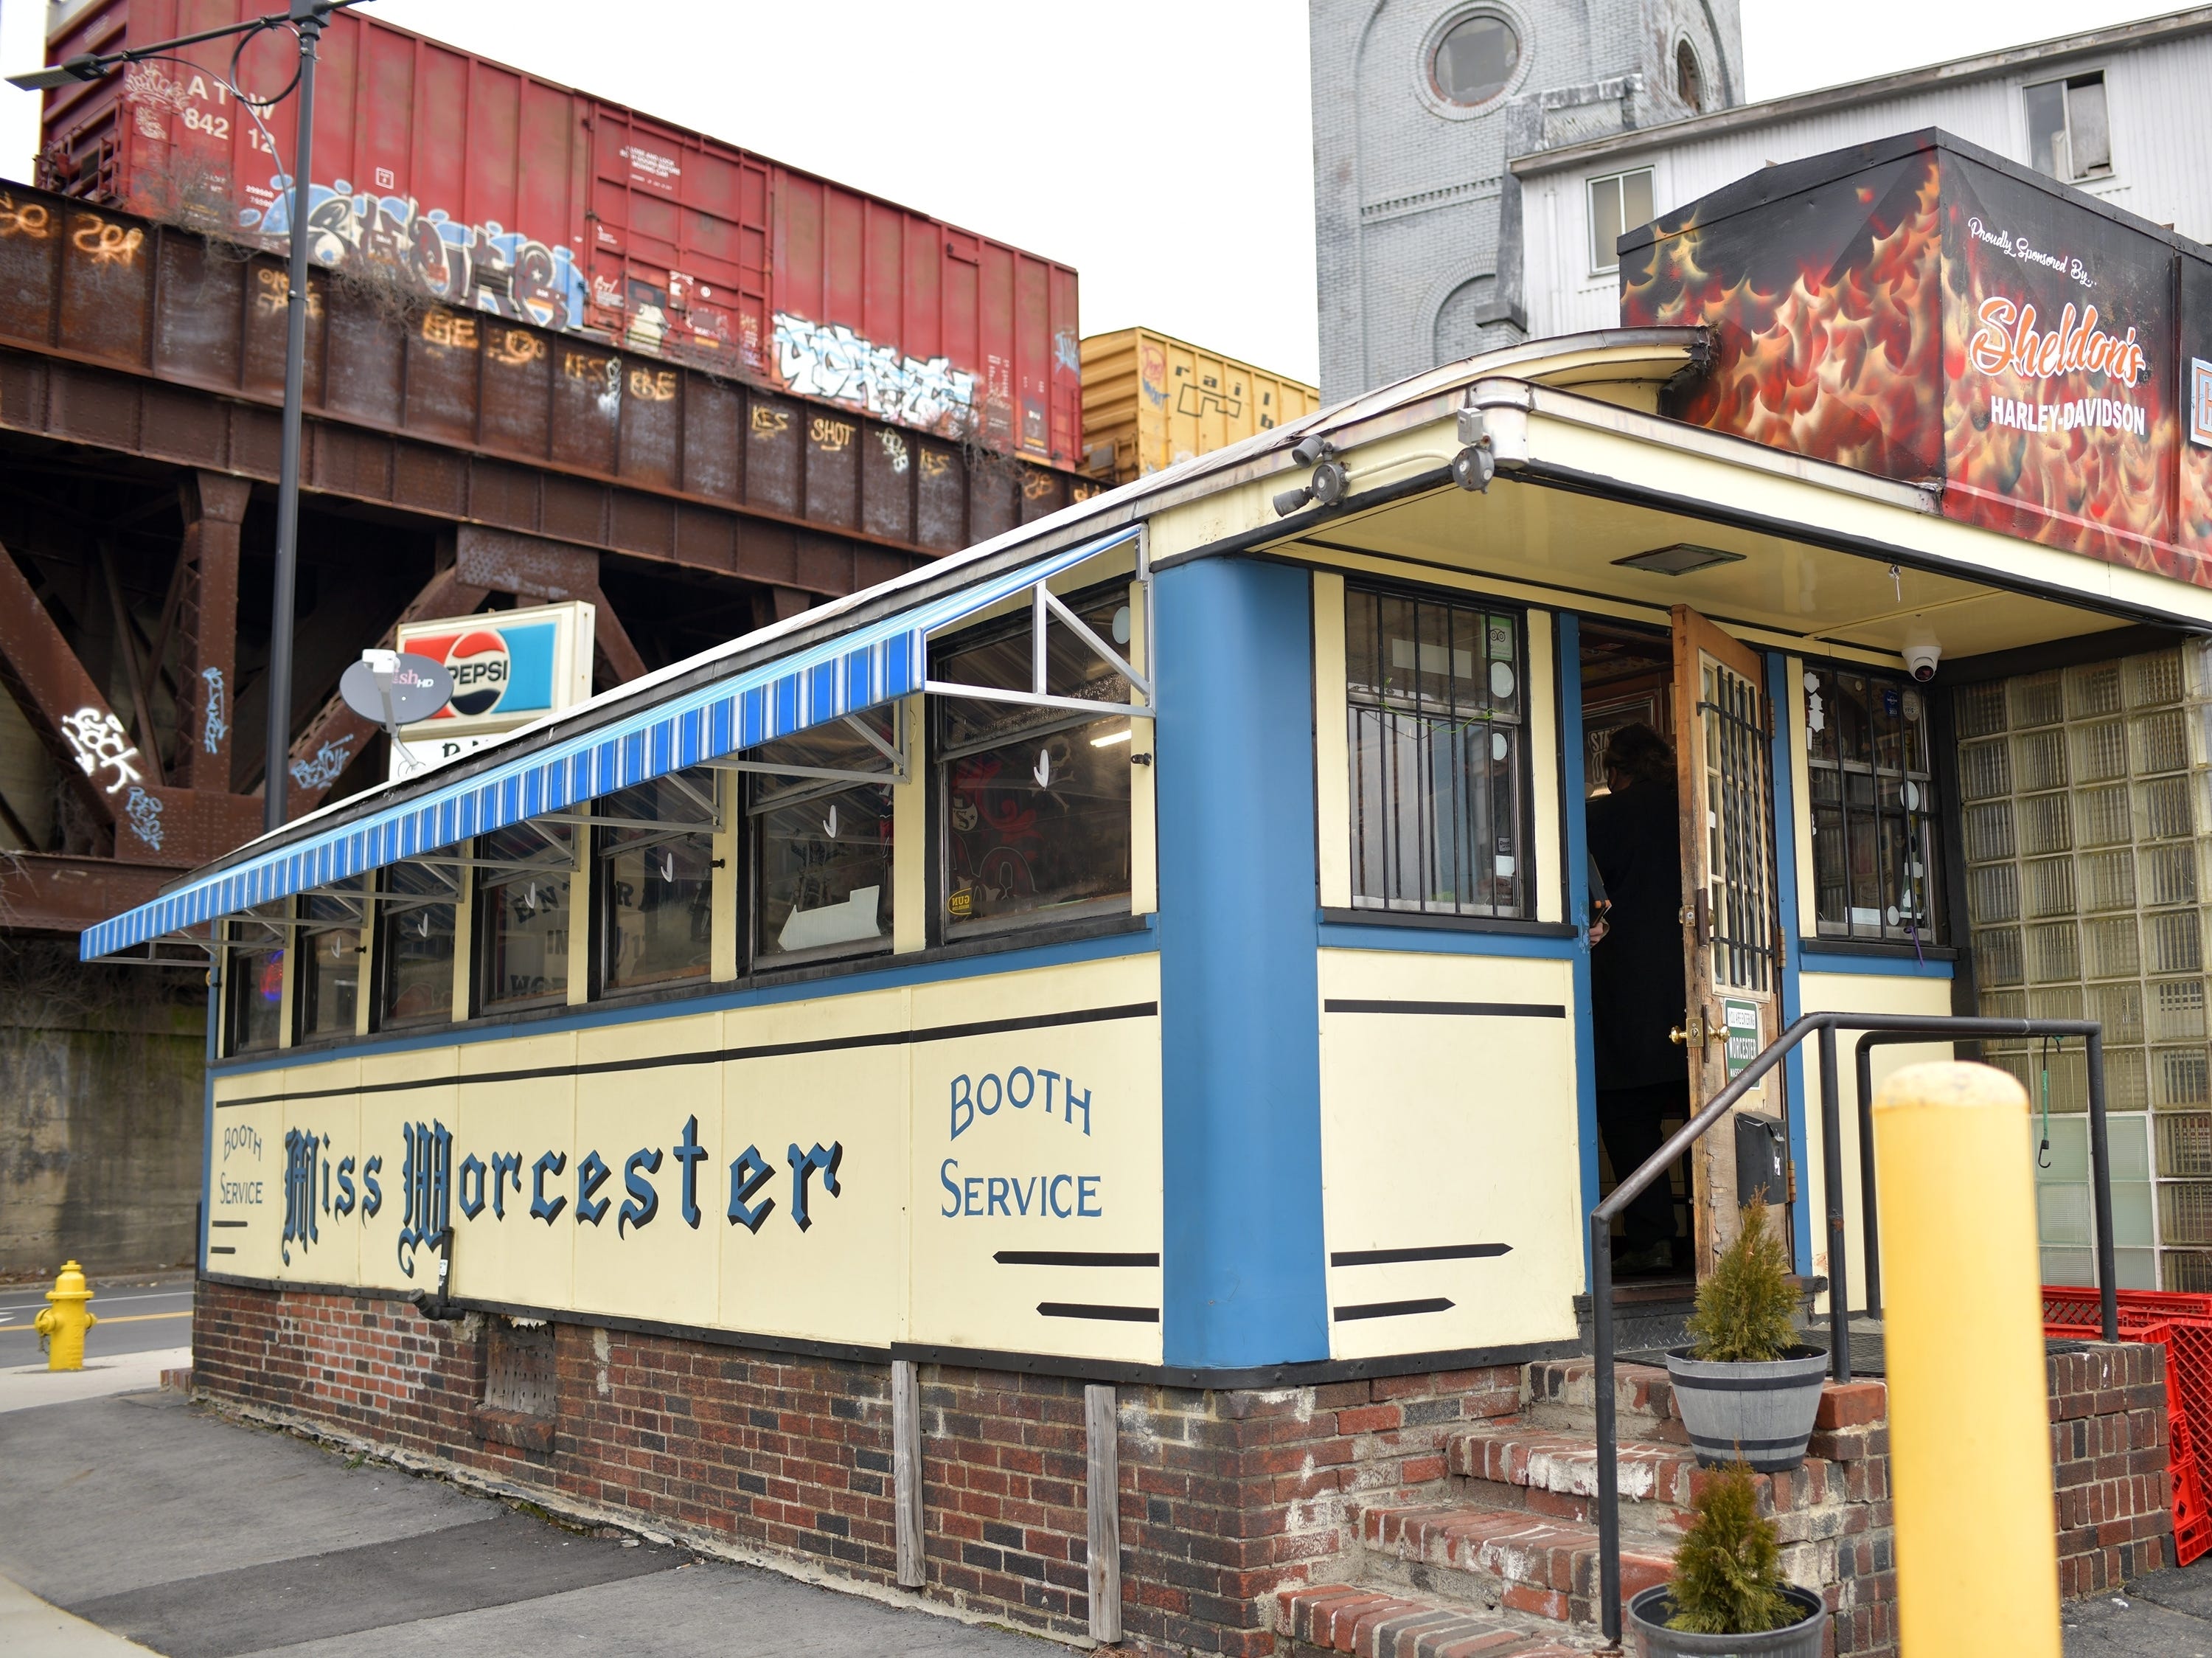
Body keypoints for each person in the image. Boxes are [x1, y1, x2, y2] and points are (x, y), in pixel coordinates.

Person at [1586, 723, 1689, 1273]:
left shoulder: (1598, 817)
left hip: (1624, 992)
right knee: (1709, 1114)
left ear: (1616, 771)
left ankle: (1652, 1239)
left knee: (1627, 1115)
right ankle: (1725, 1239)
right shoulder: (1696, 809)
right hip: (1700, 992)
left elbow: (1580, 895)